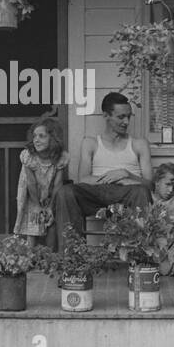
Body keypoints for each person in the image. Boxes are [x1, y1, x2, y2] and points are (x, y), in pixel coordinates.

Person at [54, 92, 153, 246]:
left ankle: (140, 257)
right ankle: (71, 257)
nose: (126, 122)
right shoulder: (90, 143)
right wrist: (111, 177)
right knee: (66, 191)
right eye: (121, 117)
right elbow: (84, 179)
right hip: (97, 195)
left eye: (129, 117)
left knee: (141, 191)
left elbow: (149, 184)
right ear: (106, 116)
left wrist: (126, 175)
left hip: (127, 194)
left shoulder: (139, 144)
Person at [13, 117, 69, 250]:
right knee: (33, 220)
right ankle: (29, 256)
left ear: (53, 138)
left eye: (42, 136)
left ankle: (48, 256)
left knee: (51, 221)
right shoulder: (29, 156)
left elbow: (57, 184)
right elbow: (31, 183)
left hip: (49, 192)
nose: (36, 140)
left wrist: (49, 206)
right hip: (31, 193)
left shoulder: (61, 157)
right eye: (34, 136)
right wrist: (38, 206)